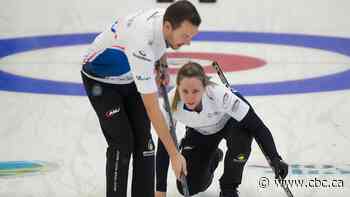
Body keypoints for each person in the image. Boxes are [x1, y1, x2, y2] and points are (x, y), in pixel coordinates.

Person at [80, 1, 201, 197]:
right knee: (122, 142)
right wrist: (174, 155)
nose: (188, 41)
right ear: (168, 26)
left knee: (145, 144)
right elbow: (153, 110)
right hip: (101, 81)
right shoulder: (142, 44)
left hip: (130, 77)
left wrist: (162, 64)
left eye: (191, 36)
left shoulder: (167, 18)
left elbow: (161, 43)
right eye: (185, 36)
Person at [155, 62, 289, 197]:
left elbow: (257, 126)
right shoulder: (171, 102)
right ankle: (213, 157)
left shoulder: (219, 94)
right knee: (187, 187)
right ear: (178, 88)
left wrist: (275, 157)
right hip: (199, 131)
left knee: (242, 139)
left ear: (205, 87)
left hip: (229, 123)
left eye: (195, 91)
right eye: (185, 91)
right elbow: (164, 143)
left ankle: (228, 187)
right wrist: (160, 189)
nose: (190, 97)